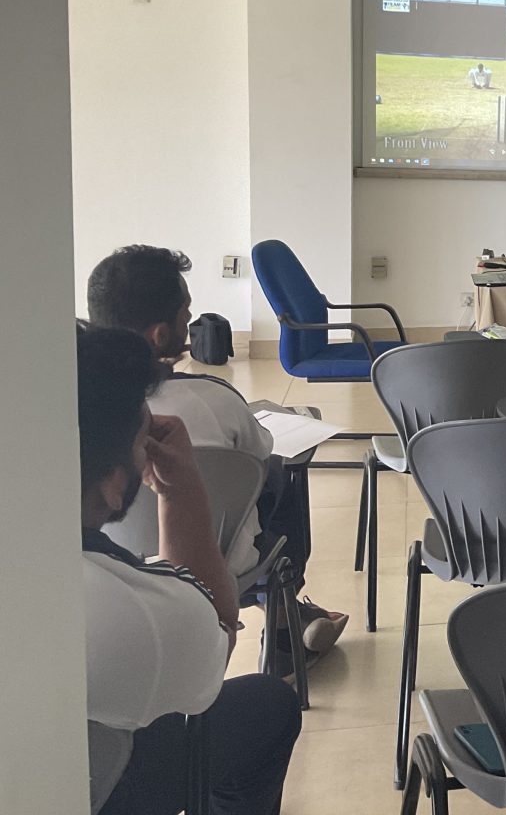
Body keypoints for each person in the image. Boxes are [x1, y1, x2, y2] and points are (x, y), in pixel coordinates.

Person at [79, 324, 301, 815]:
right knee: (267, 705)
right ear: (113, 484)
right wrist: (180, 488)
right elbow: (213, 633)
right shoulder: (123, 614)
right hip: (80, 785)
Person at [87, 245, 347, 662]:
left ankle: (290, 614)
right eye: (186, 311)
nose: (191, 320)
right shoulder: (214, 400)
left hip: (112, 566)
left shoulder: (84, 412)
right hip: (221, 567)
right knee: (283, 474)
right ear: (160, 335)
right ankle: (283, 619)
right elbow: (260, 452)